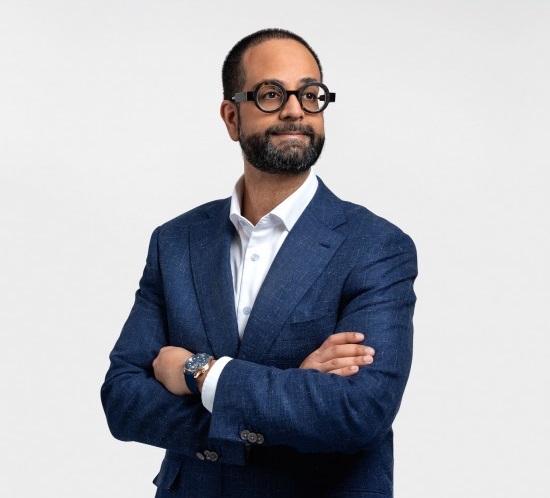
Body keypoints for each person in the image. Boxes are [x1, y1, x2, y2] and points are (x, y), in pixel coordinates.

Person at [101, 28, 417, 498]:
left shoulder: (376, 247)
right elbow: (123, 399)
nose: (295, 110)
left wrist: (199, 372)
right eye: (271, 94)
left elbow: (357, 412)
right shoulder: (176, 242)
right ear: (232, 117)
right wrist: (286, 399)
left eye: (310, 95)